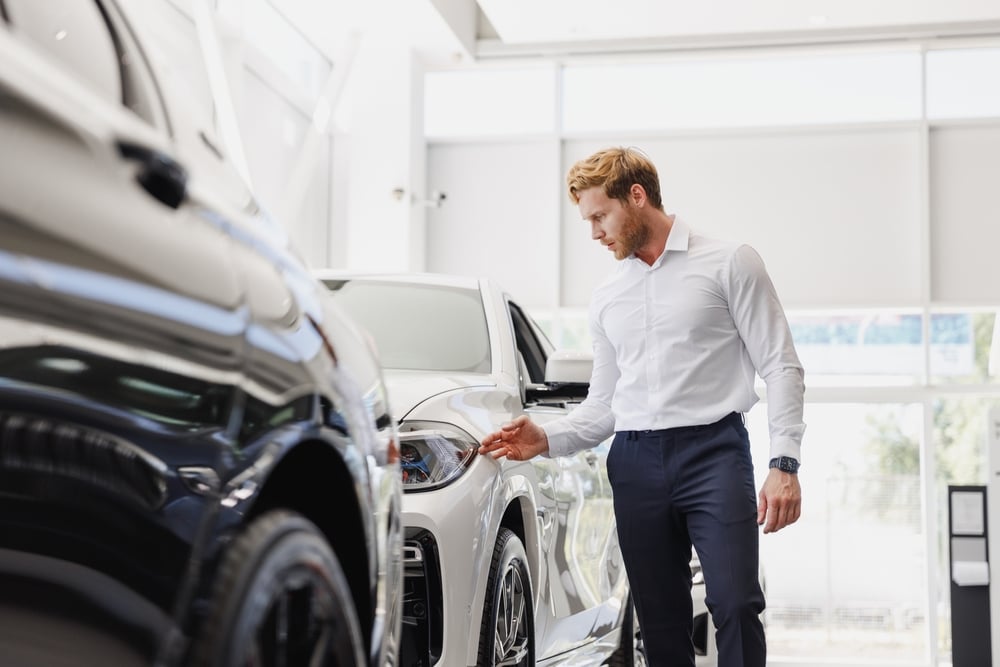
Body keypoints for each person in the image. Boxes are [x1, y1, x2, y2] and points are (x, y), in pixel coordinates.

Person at [478, 146, 805, 667]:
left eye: (599, 216)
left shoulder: (729, 262)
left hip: (714, 453)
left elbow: (782, 365)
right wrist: (544, 437)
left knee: (737, 603)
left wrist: (783, 462)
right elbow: (604, 407)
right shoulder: (608, 297)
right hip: (634, 461)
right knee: (659, 619)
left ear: (636, 196)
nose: (594, 233)